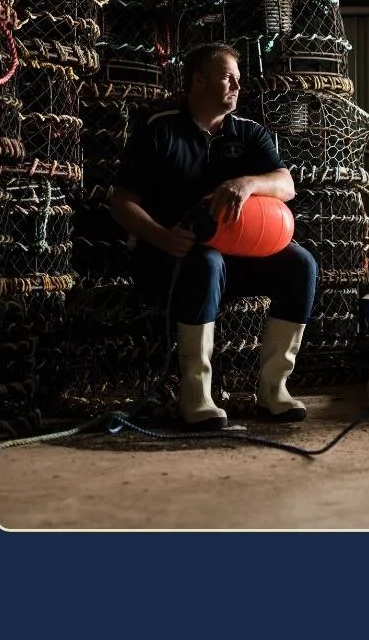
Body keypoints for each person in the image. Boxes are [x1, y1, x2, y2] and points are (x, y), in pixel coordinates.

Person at [110, 42, 318, 430]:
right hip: (170, 258)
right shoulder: (159, 130)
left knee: (300, 264)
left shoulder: (249, 133)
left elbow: (286, 184)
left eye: (238, 79)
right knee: (206, 261)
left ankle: (274, 390)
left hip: (235, 260)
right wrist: (162, 237)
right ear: (199, 81)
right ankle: (197, 397)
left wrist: (247, 183)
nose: (237, 86)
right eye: (228, 78)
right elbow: (121, 203)